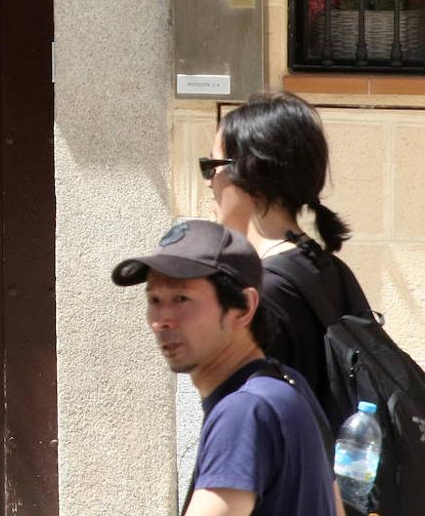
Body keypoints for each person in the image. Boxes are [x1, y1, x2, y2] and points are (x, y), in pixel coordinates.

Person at [112, 219, 341, 516]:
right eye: (155, 300)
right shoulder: (286, 384)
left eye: (181, 298)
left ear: (244, 307)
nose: (161, 319)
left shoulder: (244, 411)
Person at [201, 91, 364, 430]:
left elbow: (247, 429)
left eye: (212, 166)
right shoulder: (328, 268)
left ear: (250, 175)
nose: (208, 182)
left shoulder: (261, 293)